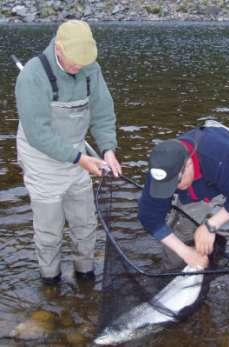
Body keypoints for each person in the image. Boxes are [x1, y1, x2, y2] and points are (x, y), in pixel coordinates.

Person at [15, 20, 121, 284]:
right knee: (50, 231)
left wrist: (108, 149)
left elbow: (102, 112)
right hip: (42, 160)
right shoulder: (32, 75)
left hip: (77, 155)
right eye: (75, 62)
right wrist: (80, 159)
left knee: (85, 224)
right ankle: (50, 282)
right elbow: (38, 134)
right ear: (58, 48)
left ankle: (85, 275)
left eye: (84, 62)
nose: (79, 67)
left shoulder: (90, 69)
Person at [138, 120, 229, 291]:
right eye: (167, 185)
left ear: (187, 164)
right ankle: (170, 282)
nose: (173, 189)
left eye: (175, 182)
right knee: (182, 233)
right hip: (201, 179)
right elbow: (149, 218)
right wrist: (186, 252)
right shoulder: (161, 169)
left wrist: (210, 225)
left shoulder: (222, 157)